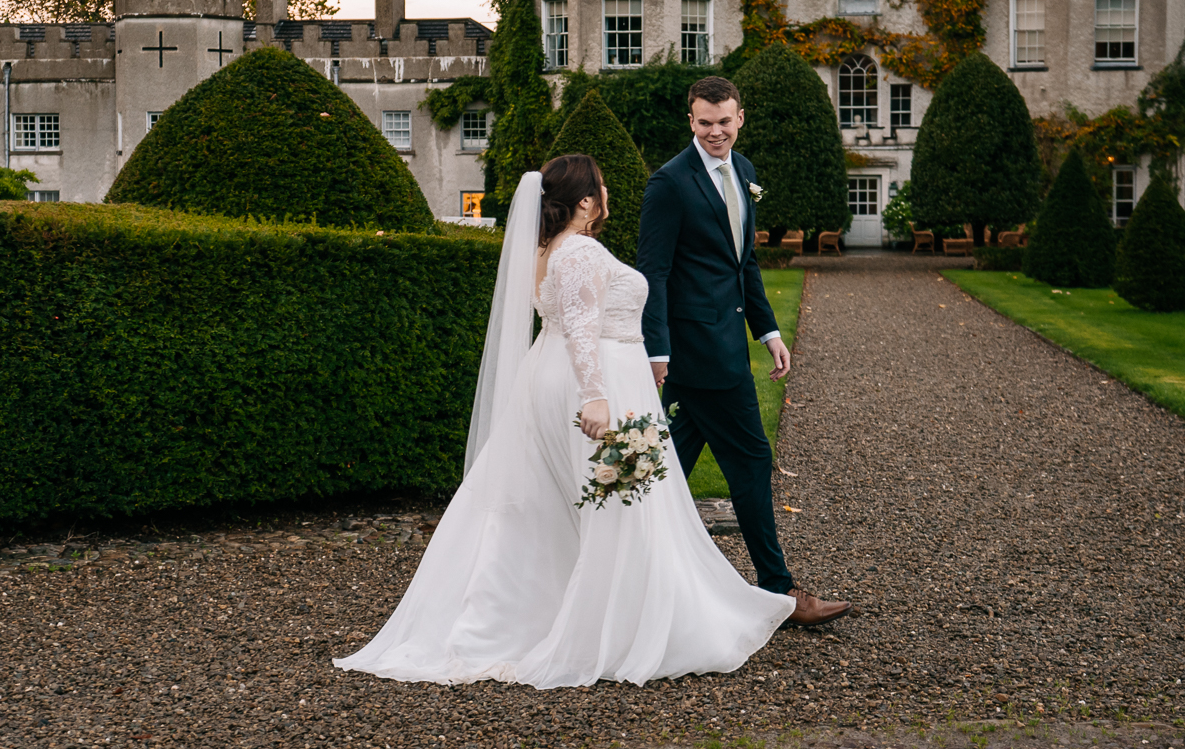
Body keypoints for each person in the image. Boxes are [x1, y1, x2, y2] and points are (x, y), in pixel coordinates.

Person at [334, 154, 794, 688]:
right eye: (601, 186)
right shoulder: (577, 250)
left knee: (583, 502)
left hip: (574, 374)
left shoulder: (549, 248)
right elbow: (580, 328)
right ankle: (622, 628)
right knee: (621, 503)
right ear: (584, 201)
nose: (607, 192)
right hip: (596, 383)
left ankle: (610, 611)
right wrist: (597, 398)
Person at [637, 75, 853, 628]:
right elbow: (654, 273)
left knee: (658, 470)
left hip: (726, 343)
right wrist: (657, 350)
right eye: (705, 122)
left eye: (724, 121)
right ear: (691, 121)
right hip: (697, 355)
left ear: (740, 119)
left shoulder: (745, 171)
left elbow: (743, 264)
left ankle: (625, 575)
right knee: (751, 462)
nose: (715, 132)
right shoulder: (669, 183)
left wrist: (770, 331)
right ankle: (781, 594)